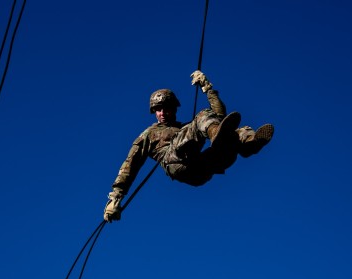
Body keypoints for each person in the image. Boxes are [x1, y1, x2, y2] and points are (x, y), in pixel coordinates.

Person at [103, 70, 274, 222]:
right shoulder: (149, 134)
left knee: (232, 131)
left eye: (166, 108)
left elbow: (220, 116)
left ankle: (249, 143)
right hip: (175, 162)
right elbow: (130, 164)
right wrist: (115, 197)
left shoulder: (185, 128)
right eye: (158, 109)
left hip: (199, 169)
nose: (162, 113)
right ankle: (217, 136)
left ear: (174, 108)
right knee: (203, 117)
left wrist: (207, 88)